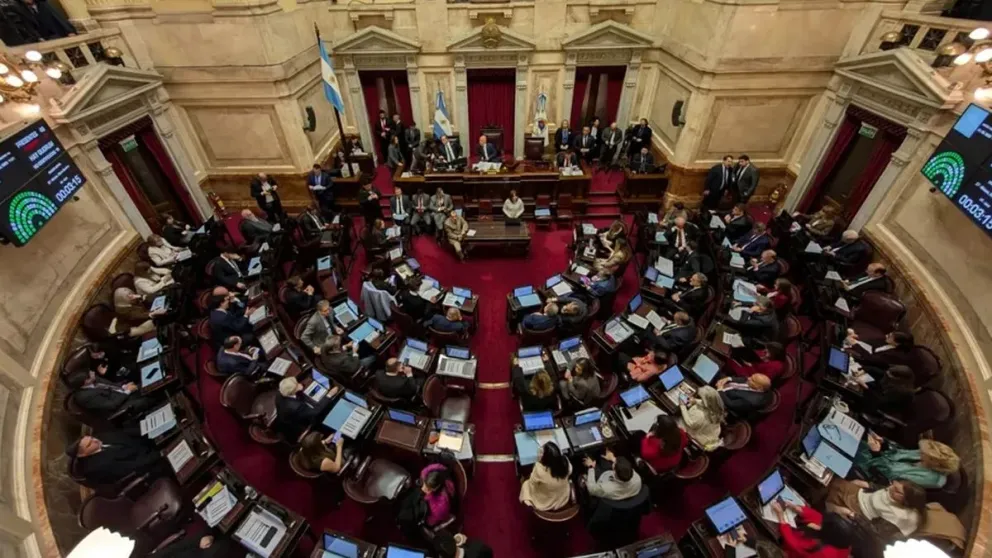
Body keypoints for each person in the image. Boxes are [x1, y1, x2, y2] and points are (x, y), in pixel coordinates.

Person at [826, 478, 927, 537]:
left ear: (904, 499)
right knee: (833, 481)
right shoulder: (895, 493)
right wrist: (868, 485)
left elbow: (874, 532)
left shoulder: (900, 518)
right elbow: (884, 490)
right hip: (862, 495)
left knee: (826, 493)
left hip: (860, 511)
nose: (891, 487)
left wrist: (852, 515)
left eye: (896, 489)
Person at [68, 430, 167, 487]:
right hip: (147, 467)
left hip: (144, 447)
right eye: (90, 444)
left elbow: (126, 435)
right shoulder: (99, 466)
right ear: (84, 454)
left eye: (91, 438)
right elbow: (133, 467)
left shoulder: (101, 437)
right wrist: (159, 454)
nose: (95, 440)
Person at [854, 436, 958, 489]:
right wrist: (884, 444)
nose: (919, 452)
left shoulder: (930, 479)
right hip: (877, 458)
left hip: (875, 472)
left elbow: (891, 474)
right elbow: (898, 453)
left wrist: (876, 454)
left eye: (923, 453)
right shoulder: (923, 455)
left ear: (933, 461)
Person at [771, 505, 861, 558]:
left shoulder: (823, 553)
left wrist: (781, 518)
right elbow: (819, 517)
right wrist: (800, 510)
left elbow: (794, 544)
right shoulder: (843, 540)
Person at [66, 369, 156, 418]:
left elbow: (112, 386)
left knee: (150, 381)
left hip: (122, 394)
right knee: (148, 397)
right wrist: (127, 391)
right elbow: (111, 405)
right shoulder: (84, 397)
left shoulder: (95, 379)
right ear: (86, 382)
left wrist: (124, 386)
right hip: (119, 407)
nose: (93, 372)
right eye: (90, 374)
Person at [520, 442, 573, 511]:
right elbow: (570, 472)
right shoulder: (566, 461)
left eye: (542, 453)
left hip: (545, 501)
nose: (539, 453)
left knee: (526, 484)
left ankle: (531, 506)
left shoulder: (539, 469)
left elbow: (532, 483)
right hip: (561, 496)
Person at [275, 377, 327, 442]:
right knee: (323, 413)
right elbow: (316, 412)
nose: (299, 384)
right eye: (297, 384)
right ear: (292, 391)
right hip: (299, 427)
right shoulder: (296, 406)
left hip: (285, 421)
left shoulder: (280, 392)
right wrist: (329, 396)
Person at [679, 385, 725, 450]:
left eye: (701, 398)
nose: (700, 399)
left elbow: (690, 423)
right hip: (708, 434)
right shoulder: (717, 408)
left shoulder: (701, 415)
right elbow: (707, 404)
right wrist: (695, 401)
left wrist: (682, 405)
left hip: (692, 433)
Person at [846, 330, 914, 369]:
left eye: (890, 336)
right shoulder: (889, 342)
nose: (887, 335)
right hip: (868, 354)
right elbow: (874, 342)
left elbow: (872, 360)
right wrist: (857, 337)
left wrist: (855, 345)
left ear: (897, 343)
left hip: (869, 366)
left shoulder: (894, 356)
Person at [420, 462, 456, 528]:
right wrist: (423, 479)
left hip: (439, 514)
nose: (423, 489)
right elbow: (426, 470)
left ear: (436, 488)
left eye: (428, 489)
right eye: (424, 483)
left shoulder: (442, 503)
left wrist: (428, 496)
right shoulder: (436, 474)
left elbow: (434, 519)